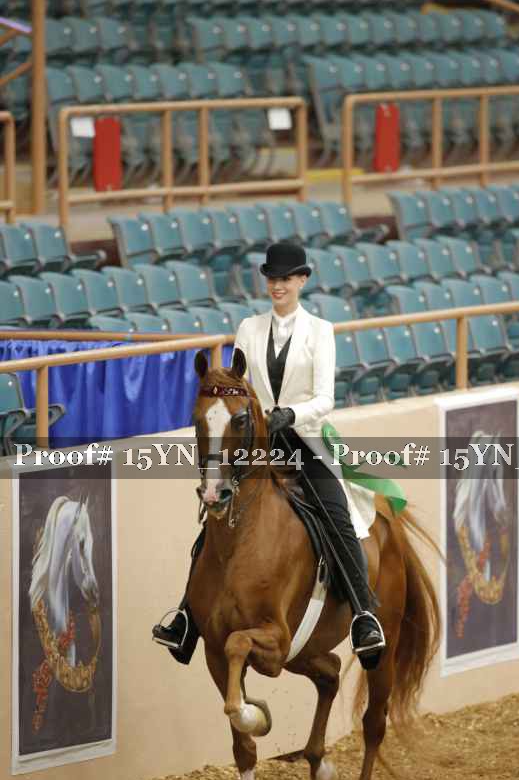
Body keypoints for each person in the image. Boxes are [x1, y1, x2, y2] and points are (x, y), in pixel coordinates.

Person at [153, 242, 385, 667]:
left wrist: (290, 415)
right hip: (257, 442)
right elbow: (238, 386)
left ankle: (364, 615)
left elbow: (325, 398)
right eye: (273, 279)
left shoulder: (320, 331)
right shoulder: (249, 328)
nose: (278, 286)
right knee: (216, 517)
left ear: (302, 281)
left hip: (304, 440)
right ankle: (187, 618)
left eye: (286, 279)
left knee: (337, 515)